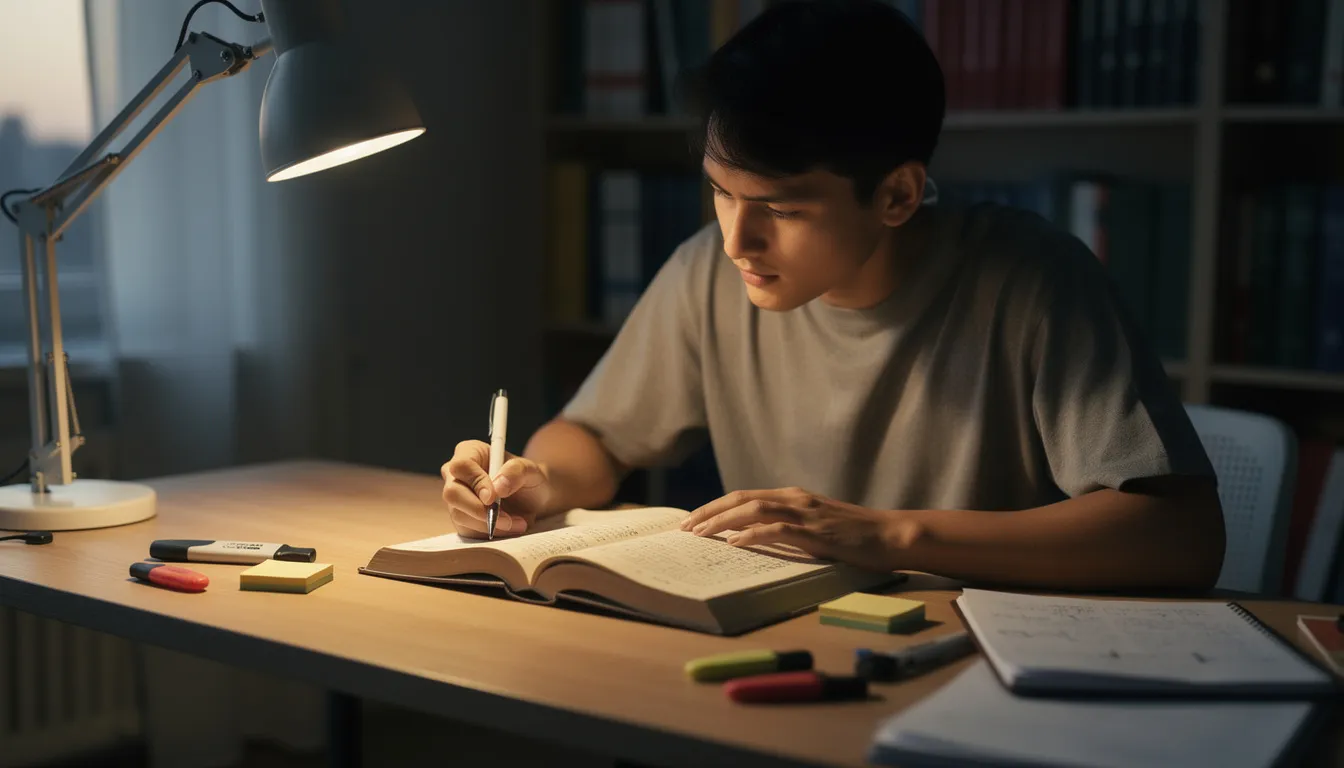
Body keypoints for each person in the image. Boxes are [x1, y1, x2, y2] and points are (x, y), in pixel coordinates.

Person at [441, 0, 1225, 591]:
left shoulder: (1031, 281)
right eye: (721, 193)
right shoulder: (707, 274)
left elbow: (1178, 534)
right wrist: (535, 480)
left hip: (971, 653)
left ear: (897, 195)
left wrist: (887, 537)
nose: (737, 240)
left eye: (781, 210)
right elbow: (599, 437)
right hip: (788, 632)